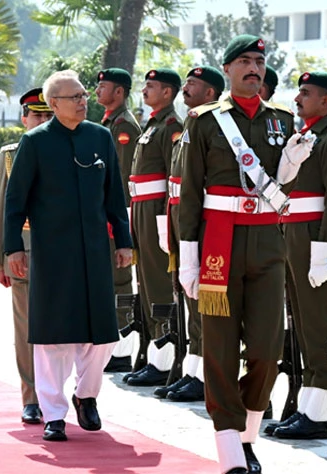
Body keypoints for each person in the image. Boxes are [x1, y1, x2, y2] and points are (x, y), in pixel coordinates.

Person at [178, 35, 312, 474]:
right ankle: (229, 449)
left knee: (267, 348)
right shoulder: (204, 121)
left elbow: (280, 187)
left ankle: (248, 432)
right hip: (219, 242)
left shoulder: (282, 120)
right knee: (218, 348)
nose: (254, 68)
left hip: (268, 244)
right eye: (245, 62)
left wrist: (289, 168)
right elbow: (190, 195)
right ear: (229, 70)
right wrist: (188, 256)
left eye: (259, 61)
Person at [3, 70, 133, 442]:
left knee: (102, 334)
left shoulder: (100, 137)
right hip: (51, 250)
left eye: (83, 94)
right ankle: (53, 413)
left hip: (94, 250)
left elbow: (114, 196)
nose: (82, 100)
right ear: (54, 104)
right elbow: (15, 202)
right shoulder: (35, 143)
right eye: (73, 96)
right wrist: (12, 247)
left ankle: (86, 396)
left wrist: (123, 241)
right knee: (51, 338)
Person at [271, 71, 327, 440]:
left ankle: (319, 412)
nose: (298, 97)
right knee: (301, 322)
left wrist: (323, 253)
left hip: (311, 238)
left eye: (307, 93)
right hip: (291, 233)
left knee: (318, 323)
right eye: (299, 91)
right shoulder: (302, 137)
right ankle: (305, 406)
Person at [154, 65, 225, 403]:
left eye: (193, 84)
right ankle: (192, 369)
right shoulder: (189, 126)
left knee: (201, 304)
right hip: (180, 219)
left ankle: (202, 374)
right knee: (189, 302)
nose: (185, 88)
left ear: (210, 93)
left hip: (202, 224)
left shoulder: (210, 127)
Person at [0, 88, 53, 425]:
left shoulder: (66, 149)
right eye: (36, 115)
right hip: (24, 254)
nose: (42, 121)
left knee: (64, 330)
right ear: (24, 118)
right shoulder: (10, 155)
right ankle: (31, 397)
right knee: (27, 328)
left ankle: (55, 393)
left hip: (62, 252)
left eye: (47, 115)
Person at [125, 68, 185, 387]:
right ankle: (152, 354)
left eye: (152, 86)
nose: (145, 90)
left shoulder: (172, 125)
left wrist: (164, 221)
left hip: (156, 211)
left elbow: (172, 177)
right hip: (141, 209)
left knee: (159, 283)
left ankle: (163, 359)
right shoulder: (153, 123)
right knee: (145, 282)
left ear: (167, 92)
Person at [95, 68, 140, 373]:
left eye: (104, 86)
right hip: (106, 213)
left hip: (117, 214)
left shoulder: (123, 126)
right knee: (110, 280)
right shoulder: (109, 122)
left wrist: (117, 221)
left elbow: (121, 178)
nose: (97, 90)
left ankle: (122, 349)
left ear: (120, 92)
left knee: (121, 281)